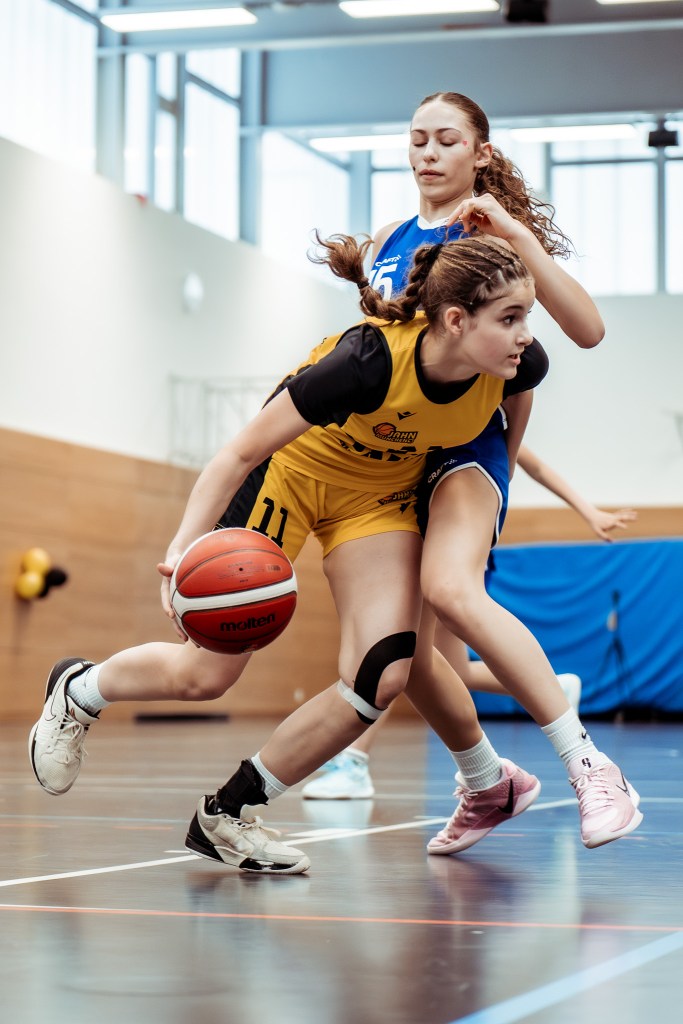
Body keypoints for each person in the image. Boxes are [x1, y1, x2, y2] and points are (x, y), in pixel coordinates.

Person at [29, 232, 550, 873]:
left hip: (377, 502)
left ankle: (227, 816)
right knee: (205, 677)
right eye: (512, 317)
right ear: (454, 320)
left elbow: (518, 409)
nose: (526, 334)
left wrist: (498, 483)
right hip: (290, 475)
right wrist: (181, 544)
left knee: (382, 674)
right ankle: (80, 690)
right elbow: (240, 452)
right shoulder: (365, 362)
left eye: (526, 316)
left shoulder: (517, 362)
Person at [301, 91, 641, 853]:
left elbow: (583, 332)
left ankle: (590, 768)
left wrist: (517, 233)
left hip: (466, 445)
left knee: (451, 590)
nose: (427, 153)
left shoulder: (489, 235)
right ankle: (487, 784)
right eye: (417, 138)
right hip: (393, 454)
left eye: (446, 140)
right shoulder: (389, 239)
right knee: (404, 653)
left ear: (480, 153)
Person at [301, 445, 637, 799]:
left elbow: (534, 465)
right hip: (418, 529)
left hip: (448, 544)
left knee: (401, 650)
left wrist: (589, 511)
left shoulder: (471, 428)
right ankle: (555, 689)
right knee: (448, 670)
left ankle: (354, 761)